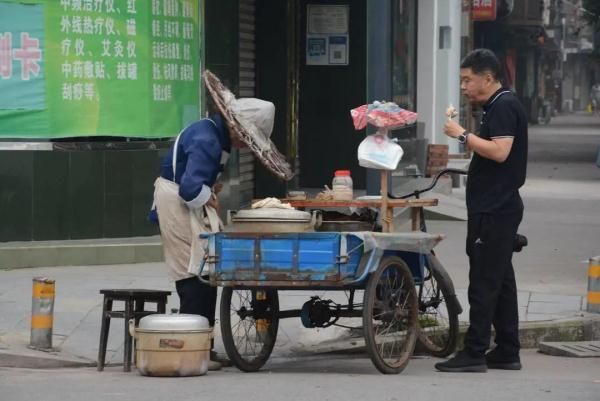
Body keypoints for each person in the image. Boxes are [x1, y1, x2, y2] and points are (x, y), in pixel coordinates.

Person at [150, 91, 277, 371]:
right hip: (176, 205)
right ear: (236, 127)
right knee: (193, 274)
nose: (245, 144)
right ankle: (192, 347)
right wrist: (207, 195)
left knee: (207, 272)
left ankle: (203, 345)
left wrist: (210, 189)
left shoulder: (215, 135)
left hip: (185, 204)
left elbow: (197, 178)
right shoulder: (207, 139)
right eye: (246, 137)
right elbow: (190, 188)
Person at [436, 49, 528, 373]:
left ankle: (474, 351)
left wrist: (463, 135)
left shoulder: (503, 105)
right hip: (496, 206)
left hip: (494, 209)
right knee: (501, 281)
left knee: (483, 282)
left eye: (467, 79)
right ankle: (507, 350)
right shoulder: (498, 105)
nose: (463, 86)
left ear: (487, 78)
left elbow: (501, 152)